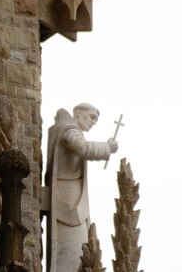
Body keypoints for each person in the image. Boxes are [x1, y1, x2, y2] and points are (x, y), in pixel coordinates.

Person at [44, 103, 119, 272]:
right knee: (73, 250)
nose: (93, 122)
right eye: (92, 116)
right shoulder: (67, 129)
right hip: (67, 198)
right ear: (78, 113)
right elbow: (83, 149)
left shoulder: (67, 129)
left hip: (72, 195)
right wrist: (107, 148)